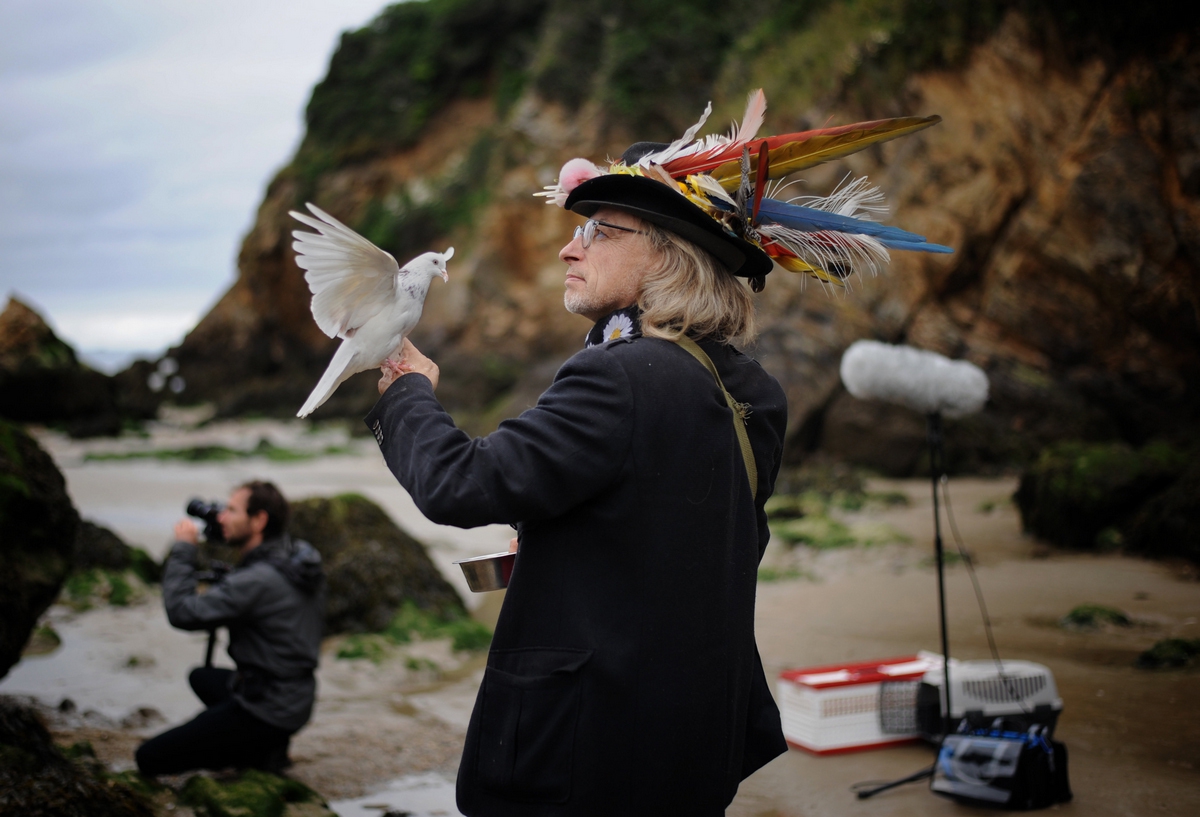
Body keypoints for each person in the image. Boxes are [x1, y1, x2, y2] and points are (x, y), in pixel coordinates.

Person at [367, 149, 790, 814]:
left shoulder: (619, 375)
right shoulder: (755, 392)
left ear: (667, 254)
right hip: (695, 745)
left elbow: (460, 482)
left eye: (599, 230)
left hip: (584, 756)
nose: (569, 248)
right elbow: (706, 537)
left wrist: (410, 391)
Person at [135, 480, 325, 776]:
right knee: (202, 677)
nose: (221, 516)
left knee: (147, 758)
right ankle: (267, 747)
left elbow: (182, 613)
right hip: (295, 696)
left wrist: (184, 548)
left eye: (232, 510)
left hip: (267, 709)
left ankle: (256, 749)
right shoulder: (295, 558)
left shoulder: (256, 580)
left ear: (259, 520)